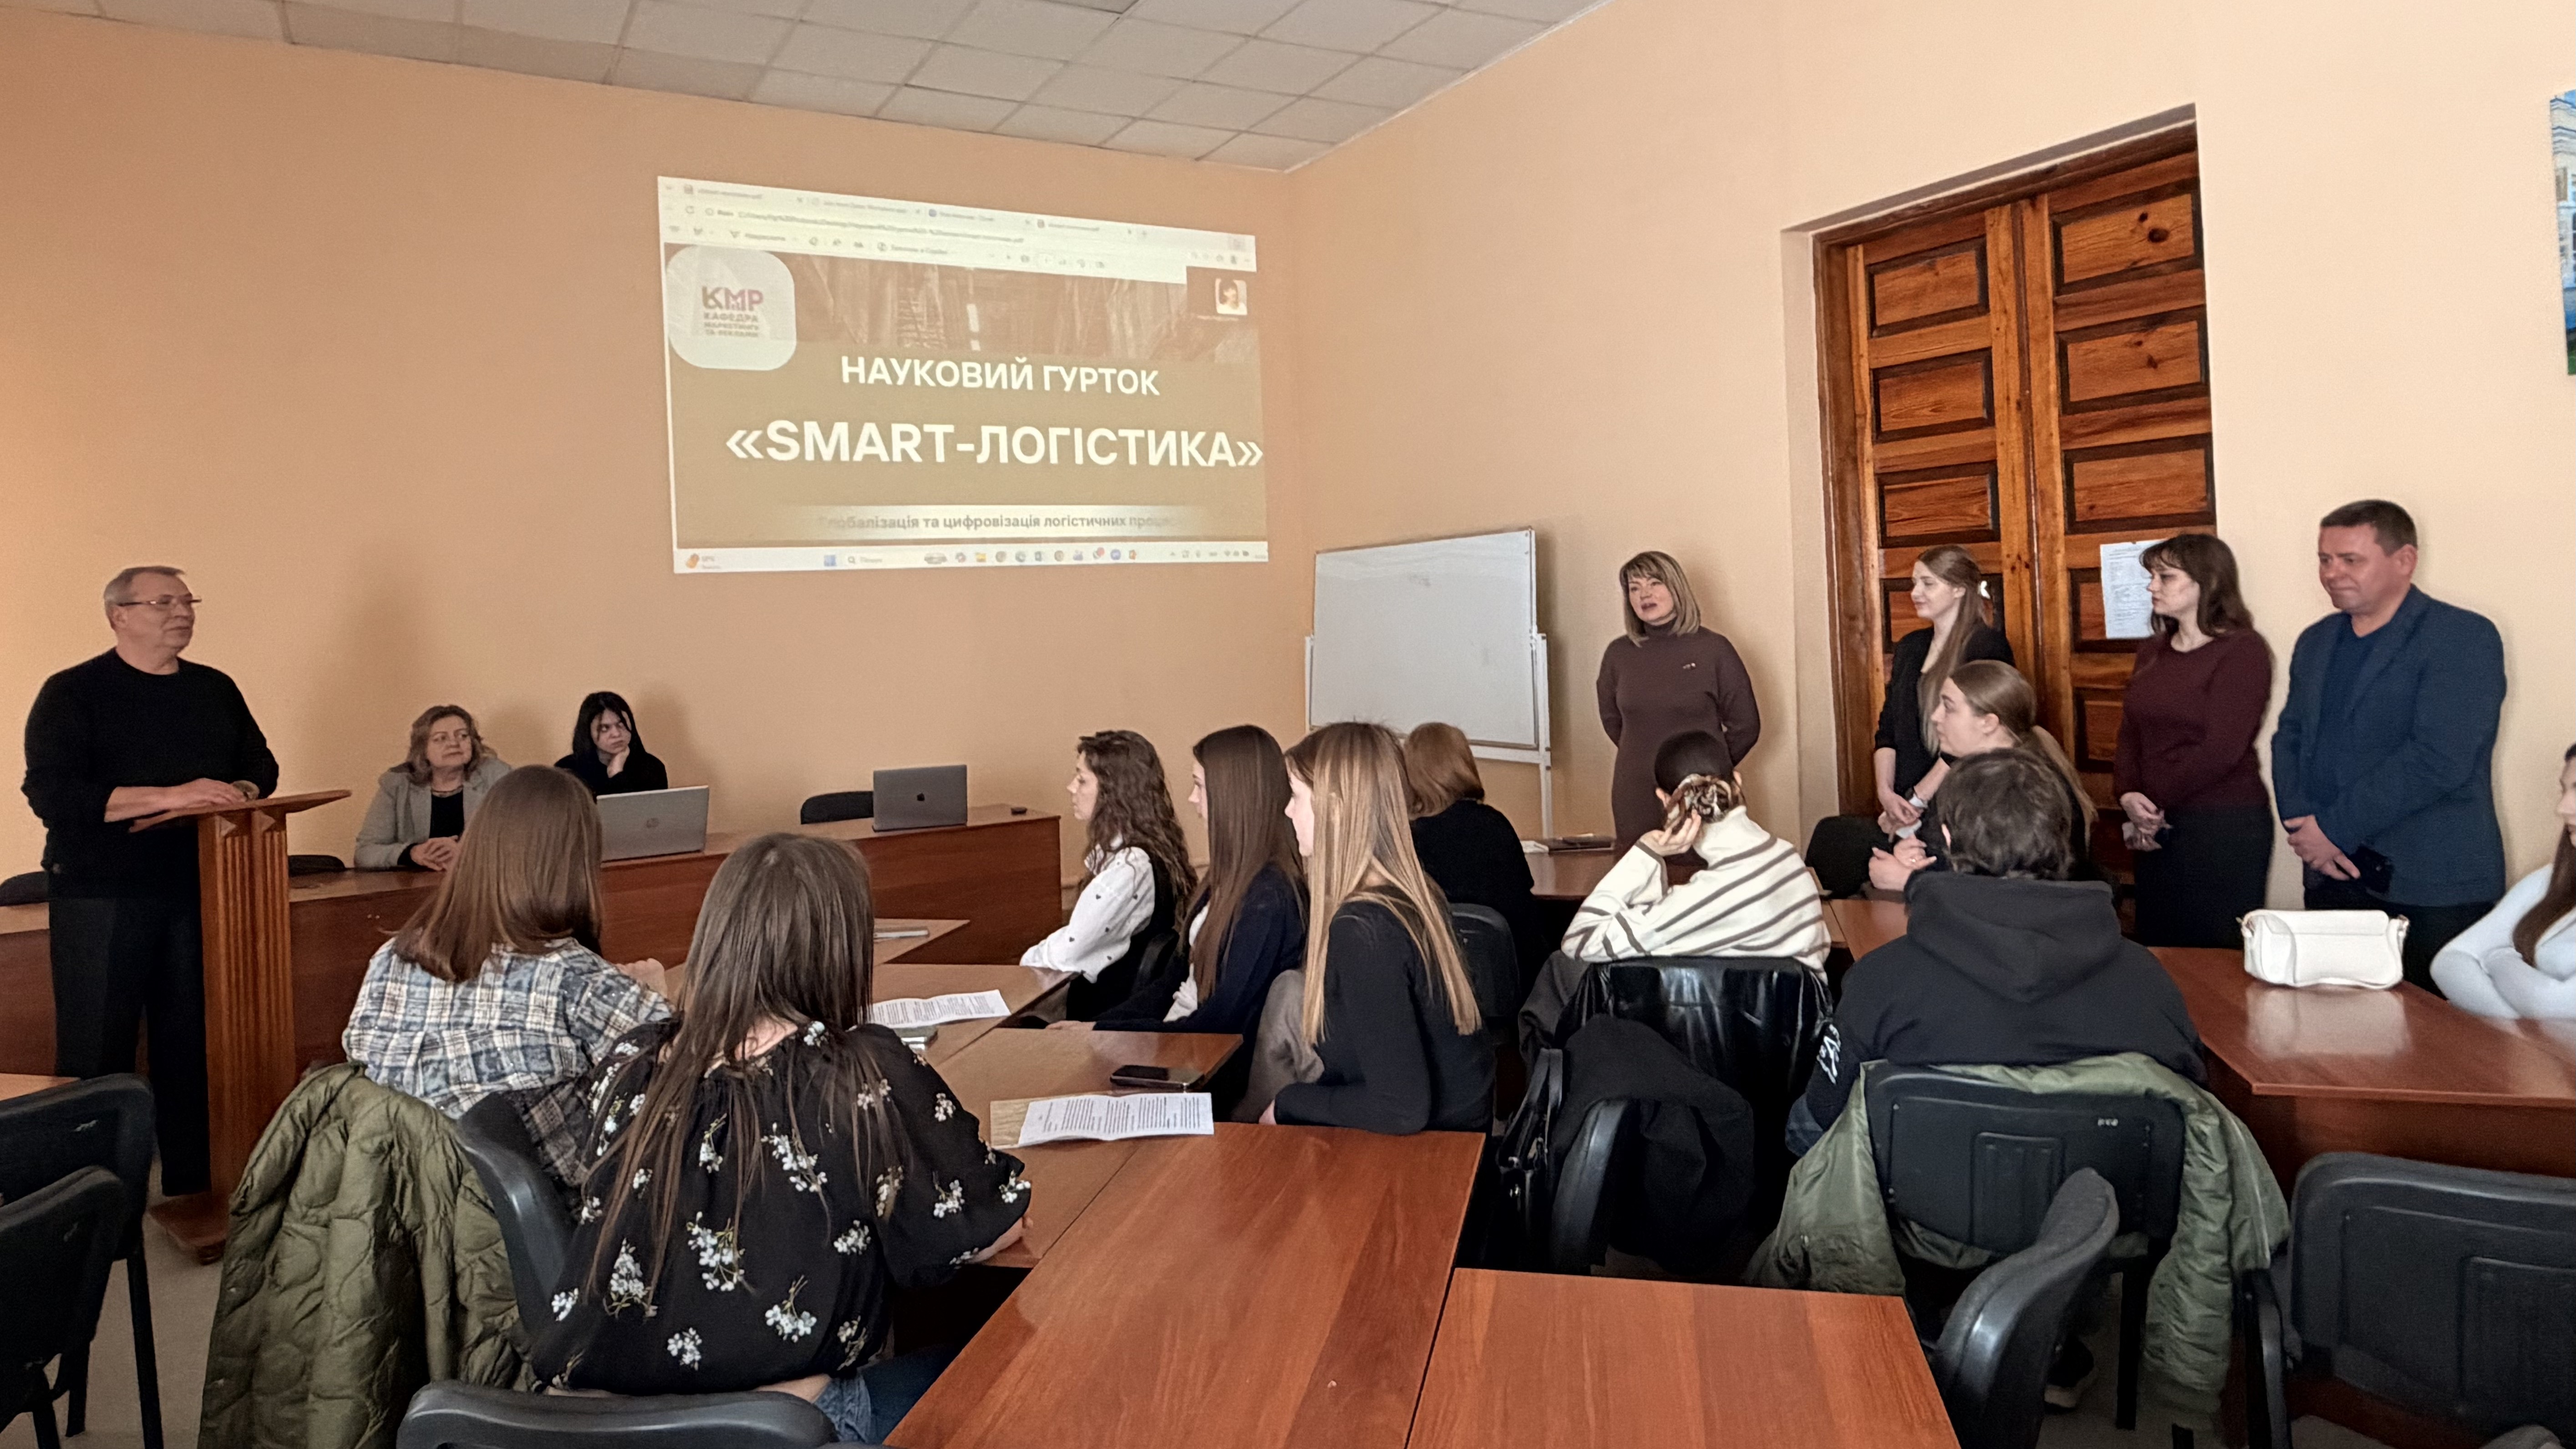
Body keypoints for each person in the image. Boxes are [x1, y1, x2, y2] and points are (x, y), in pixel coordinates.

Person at [533, 834, 1026, 1444]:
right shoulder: (856, 1073)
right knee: (1007, 1368)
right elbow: (973, 1231)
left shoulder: (631, 1061)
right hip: (772, 1430)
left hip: (591, 1431)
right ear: (841, 948)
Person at [1794, 751, 2203, 1151]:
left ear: (1948, 839)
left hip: (1920, 1196)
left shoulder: (1881, 979)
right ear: (2065, 839)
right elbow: (2192, 1122)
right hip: (2107, 1194)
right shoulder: (2149, 983)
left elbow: (1814, 1126)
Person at [21, 565, 278, 1198]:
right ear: (120, 615)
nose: (181, 612)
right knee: (97, 1049)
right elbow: (54, 794)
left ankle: (195, 1188)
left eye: (187, 600)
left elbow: (259, 765)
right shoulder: (73, 691)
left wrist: (237, 792)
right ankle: (87, 1197)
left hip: (199, 887)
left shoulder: (214, 688)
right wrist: (172, 795)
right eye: (163, 601)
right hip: (101, 894)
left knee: (191, 1043)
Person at [341, 765, 670, 1181]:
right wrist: (660, 1002)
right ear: (577, 865)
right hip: (553, 1213)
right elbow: (686, 1096)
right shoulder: (577, 980)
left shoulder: (391, 959)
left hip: (410, 1206)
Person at [2271, 500, 2507, 991]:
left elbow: (2438, 759)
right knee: (2337, 1026)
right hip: (2331, 875)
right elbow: (2290, 737)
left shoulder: (2460, 636)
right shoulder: (2315, 641)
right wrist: (2302, 826)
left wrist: (2332, 829)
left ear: (2404, 561)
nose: (2331, 573)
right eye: (2324, 559)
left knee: (2433, 1034)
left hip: (2430, 884)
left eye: (2350, 560)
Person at [1261, 722, 1492, 1134]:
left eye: (1295, 796)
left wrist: (1288, 1102)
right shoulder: (1410, 896)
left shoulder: (1363, 929)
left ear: (1335, 808)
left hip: (1434, 1155)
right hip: (1457, 1141)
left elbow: (1400, 1108)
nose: (1286, 811)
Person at [2113, 534, 2275, 947]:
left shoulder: (2242, 650)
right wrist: (2128, 793)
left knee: (2214, 954)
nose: (2151, 586)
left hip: (2219, 825)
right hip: (2154, 824)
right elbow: (2131, 730)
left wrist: (2152, 802)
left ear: (2208, 582)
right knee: (2158, 947)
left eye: (2165, 577)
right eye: (2151, 576)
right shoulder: (2152, 651)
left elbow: (2221, 750)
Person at [1092, 725, 1306, 1034]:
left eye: (1199, 786)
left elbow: (1221, 1022)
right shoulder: (1226, 877)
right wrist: (1095, 1028)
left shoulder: (1269, 898)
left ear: (1232, 796)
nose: (1192, 798)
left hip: (1201, 1052)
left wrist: (1112, 1034)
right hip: (1178, 1035)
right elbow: (1170, 984)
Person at [1560, 731, 1828, 970]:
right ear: (1737, 782)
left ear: (1667, 802)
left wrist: (1645, 853)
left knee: (1561, 969)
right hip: (1794, 1013)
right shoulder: (1793, 863)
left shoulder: (1701, 901)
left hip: (1710, 1015)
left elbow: (1580, 940)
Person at [1867, 661, 2094, 892]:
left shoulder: (2019, 788)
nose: (1936, 716)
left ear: (1988, 723)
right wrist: (1911, 853)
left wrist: (1909, 881)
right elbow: (1945, 856)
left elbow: (2006, 890)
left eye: (1948, 707)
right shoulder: (1974, 775)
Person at [1022, 730, 1197, 1018]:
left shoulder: (1130, 869)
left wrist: (1022, 965)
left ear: (1114, 792)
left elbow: (1069, 952)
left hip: (1102, 1020)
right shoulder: (1149, 853)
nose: (1071, 787)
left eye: (1082, 780)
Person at [1595, 550, 1760, 847]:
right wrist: (1646, 759)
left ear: (1676, 587)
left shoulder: (1713, 649)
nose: (1644, 594)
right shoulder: (1618, 654)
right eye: (1634, 588)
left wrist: (1706, 769)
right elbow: (1613, 721)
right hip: (1636, 792)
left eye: (1654, 583)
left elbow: (1746, 726)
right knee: (1641, 867)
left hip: (1701, 794)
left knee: (1703, 867)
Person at [1872, 544, 2015, 833]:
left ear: (1959, 589)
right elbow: (1888, 731)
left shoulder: (1986, 646)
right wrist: (1887, 794)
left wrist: (1918, 800)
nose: (1916, 593)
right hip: (1906, 802)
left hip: (1960, 801)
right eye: (1915, 583)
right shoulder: (1910, 647)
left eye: (1928, 584)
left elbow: (1978, 735)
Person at [2431, 745, 2576, 1018]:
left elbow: (2551, 1003)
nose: (2562, 808)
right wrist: (2514, 1033)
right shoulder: (2551, 879)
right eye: (2564, 790)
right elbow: (2450, 961)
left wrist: (2499, 958)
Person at [1402, 722, 1541, 978]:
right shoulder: (1494, 826)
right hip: (1508, 980)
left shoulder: (1403, 839)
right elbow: (1523, 912)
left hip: (1432, 984)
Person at [353, 704, 512, 870]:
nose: (454, 744)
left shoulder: (497, 776)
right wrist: (413, 853)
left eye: (462, 736)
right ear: (423, 749)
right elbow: (365, 853)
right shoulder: (397, 784)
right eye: (441, 738)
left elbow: (520, 844)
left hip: (481, 881)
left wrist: (466, 853)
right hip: (416, 885)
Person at [555, 691, 669, 797]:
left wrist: (617, 773)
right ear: (588, 732)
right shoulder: (567, 771)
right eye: (605, 728)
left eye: (621, 724)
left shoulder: (652, 768)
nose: (616, 734)